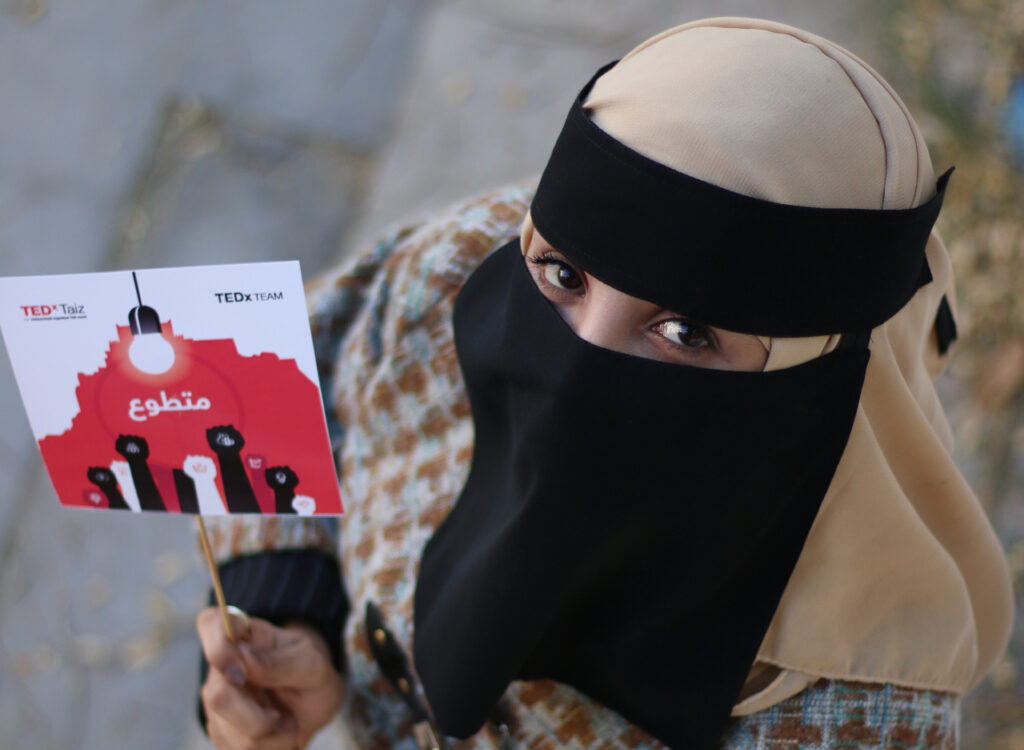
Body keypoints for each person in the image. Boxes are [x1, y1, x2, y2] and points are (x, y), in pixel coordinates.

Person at [194, 17, 1013, 749]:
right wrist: (289, 613)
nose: (571, 365)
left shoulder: (849, 722)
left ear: (824, 363)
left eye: (686, 331)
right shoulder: (462, 265)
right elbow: (287, 370)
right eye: (563, 274)